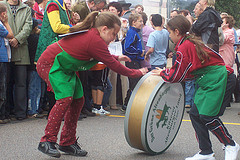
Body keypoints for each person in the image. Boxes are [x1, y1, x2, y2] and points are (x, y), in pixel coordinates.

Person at [37, 11, 148, 158]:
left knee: (78, 101)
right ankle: (47, 141)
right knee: (65, 99)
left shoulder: (95, 37)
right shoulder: (94, 40)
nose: (114, 38)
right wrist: (138, 72)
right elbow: (113, 64)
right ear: (104, 29)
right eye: (113, 34)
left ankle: (67, 142)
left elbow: (101, 55)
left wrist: (117, 56)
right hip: (51, 64)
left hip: (65, 68)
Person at [152, 15, 239, 160]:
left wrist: (162, 72)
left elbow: (177, 76)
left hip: (217, 79)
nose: (169, 36)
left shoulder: (184, 46)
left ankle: (230, 144)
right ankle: (206, 152)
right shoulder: (188, 41)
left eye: (170, 32)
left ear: (177, 31)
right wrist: (166, 72)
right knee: (195, 114)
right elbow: (186, 72)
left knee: (208, 116)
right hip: (210, 80)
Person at [1, 0, 32, 120]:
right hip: (5, 48)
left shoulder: (26, 8)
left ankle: (20, 113)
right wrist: (10, 38)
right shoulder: (2, 5)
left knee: (21, 83)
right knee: (5, 83)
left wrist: (17, 39)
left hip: (21, 49)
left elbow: (28, 26)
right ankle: (6, 112)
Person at [121, 13, 144, 111]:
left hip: (136, 60)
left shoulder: (135, 32)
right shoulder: (132, 32)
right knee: (134, 83)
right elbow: (127, 48)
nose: (142, 23)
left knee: (136, 83)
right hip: (132, 61)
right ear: (134, 22)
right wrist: (139, 52)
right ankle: (127, 104)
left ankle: (129, 104)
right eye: (140, 21)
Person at [0, 3, 14, 124]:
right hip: (2, 58)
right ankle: (2, 115)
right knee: (2, 86)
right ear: (3, 14)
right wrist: (6, 23)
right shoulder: (0, 24)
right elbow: (10, 34)